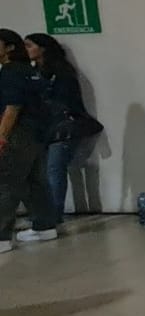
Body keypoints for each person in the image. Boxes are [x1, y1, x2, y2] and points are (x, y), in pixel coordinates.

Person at [24, 33, 94, 240]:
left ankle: (53, 217)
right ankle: (48, 215)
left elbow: (65, 102)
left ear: (43, 48)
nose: (26, 50)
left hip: (62, 128)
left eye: (29, 45)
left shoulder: (61, 73)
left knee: (55, 169)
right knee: (48, 171)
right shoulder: (35, 71)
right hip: (47, 128)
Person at [0, 29, 50, 253]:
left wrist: (1, 137)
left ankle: (1, 237)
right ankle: (45, 226)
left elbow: (12, 108)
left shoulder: (10, 72)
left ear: (9, 47)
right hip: (37, 133)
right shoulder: (28, 70)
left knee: (6, 182)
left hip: (19, 134)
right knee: (34, 181)